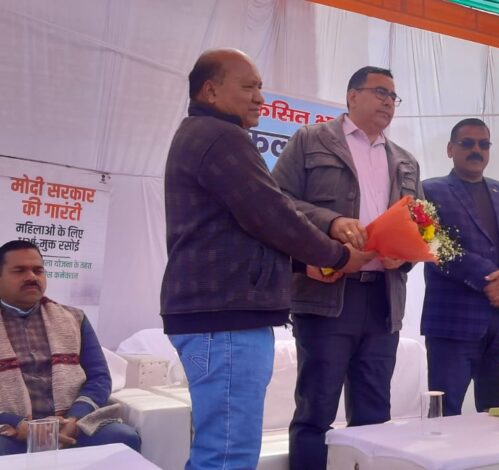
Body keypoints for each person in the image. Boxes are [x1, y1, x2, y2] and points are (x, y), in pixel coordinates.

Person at [161, 49, 371, 470]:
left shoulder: (203, 134)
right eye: (248, 87)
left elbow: (243, 229)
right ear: (210, 91)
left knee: (220, 448)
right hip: (225, 320)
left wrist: (302, 265)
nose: (260, 97)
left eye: (260, 87)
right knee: (228, 454)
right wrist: (336, 255)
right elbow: (272, 214)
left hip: (217, 317)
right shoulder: (222, 137)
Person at [272, 66, 422, 470]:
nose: (388, 102)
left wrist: (404, 254)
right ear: (352, 96)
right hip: (328, 295)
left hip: (383, 298)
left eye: (393, 96)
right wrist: (332, 222)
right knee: (316, 410)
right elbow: (278, 201)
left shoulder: (406, 162)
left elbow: (424, 227)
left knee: (375, 414)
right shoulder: (311, 140)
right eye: (380, 92)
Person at [421, 118, 499, 416]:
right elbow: (434, 244)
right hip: (453, 320)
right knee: (445, 413)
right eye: (467, 143)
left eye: (483, 144)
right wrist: (491, 280)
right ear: (450, 149)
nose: (477, 150)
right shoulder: (428, 191)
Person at [0, 240, 140, 455]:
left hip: (72, 423)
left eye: (38, 270)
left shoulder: (74, 318)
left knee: (123, 438)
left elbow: (99, 378)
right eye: (19, 271)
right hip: (10, 430)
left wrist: (75, 418)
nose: (32, 277)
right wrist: (16, 423)